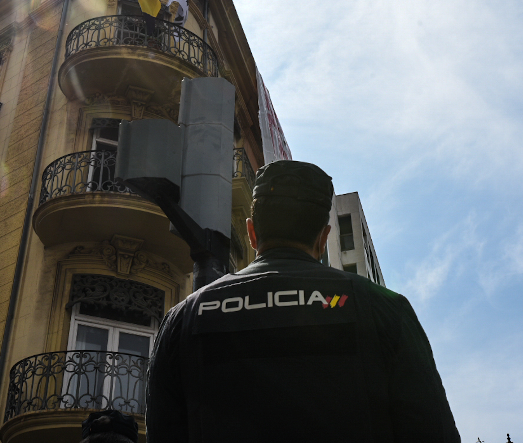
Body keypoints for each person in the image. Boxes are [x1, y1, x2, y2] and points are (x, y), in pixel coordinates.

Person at [146, 160, 460, 442]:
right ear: (323, 238)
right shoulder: (384, 308)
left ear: (252, 233)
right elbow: (432, 431)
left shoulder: (184, 317)